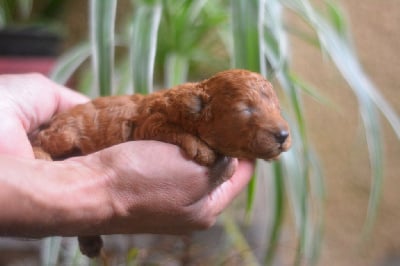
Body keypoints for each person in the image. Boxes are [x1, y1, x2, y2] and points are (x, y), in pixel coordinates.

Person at [0, 73, 254, 238]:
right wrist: (105, 193)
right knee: (64, 136)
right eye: (244, 111)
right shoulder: (174, 110)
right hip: (77, 129)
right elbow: (151, 128)